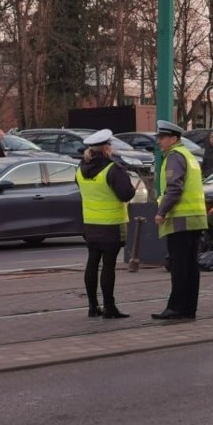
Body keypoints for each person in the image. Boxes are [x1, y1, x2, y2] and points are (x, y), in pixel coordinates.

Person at [75, 129, 136, 319]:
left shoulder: (80, 168)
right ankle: (109, 307)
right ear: (106, 148)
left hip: (90, 223)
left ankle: (93, 306)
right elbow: (126, 194)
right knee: (108, 266)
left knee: (92, 263)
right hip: (111, 224)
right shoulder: (112, 169)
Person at [152, 120, 208, 320]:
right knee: (191, 265)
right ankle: (188, 308)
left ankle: (176, 308)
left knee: (179, 265)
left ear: (174, 139)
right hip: (196, 218)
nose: (160, 141)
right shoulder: (189, 156)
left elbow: (174, 188)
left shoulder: (175, 157)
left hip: (180, 220)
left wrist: (162, 211)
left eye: (163, 137)